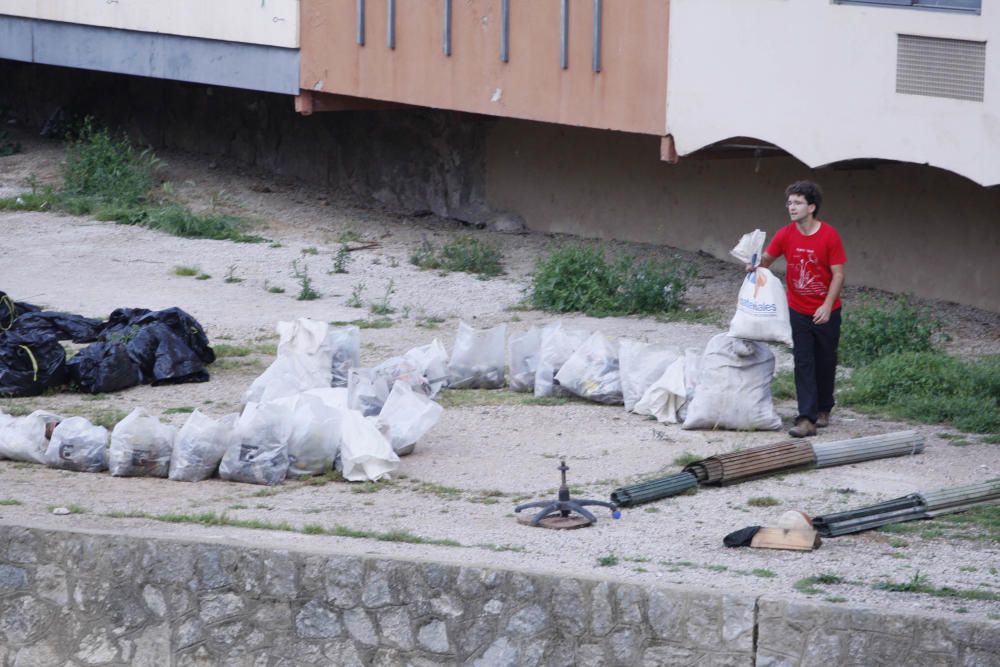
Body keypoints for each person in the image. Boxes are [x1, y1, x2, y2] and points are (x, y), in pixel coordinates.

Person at [746, 180, 847, 438]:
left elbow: (838, 275)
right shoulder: (785, 234)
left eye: (798, 202)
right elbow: (767, 260)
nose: (791, 207)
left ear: (811, 207)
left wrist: (826, 306)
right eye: (789, 202)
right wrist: (754, 266)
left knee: (826, 361)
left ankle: (824, 408)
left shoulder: (829, 235)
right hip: (798, 310)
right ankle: (806, 418)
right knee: (803, 362)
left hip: (827, 311)